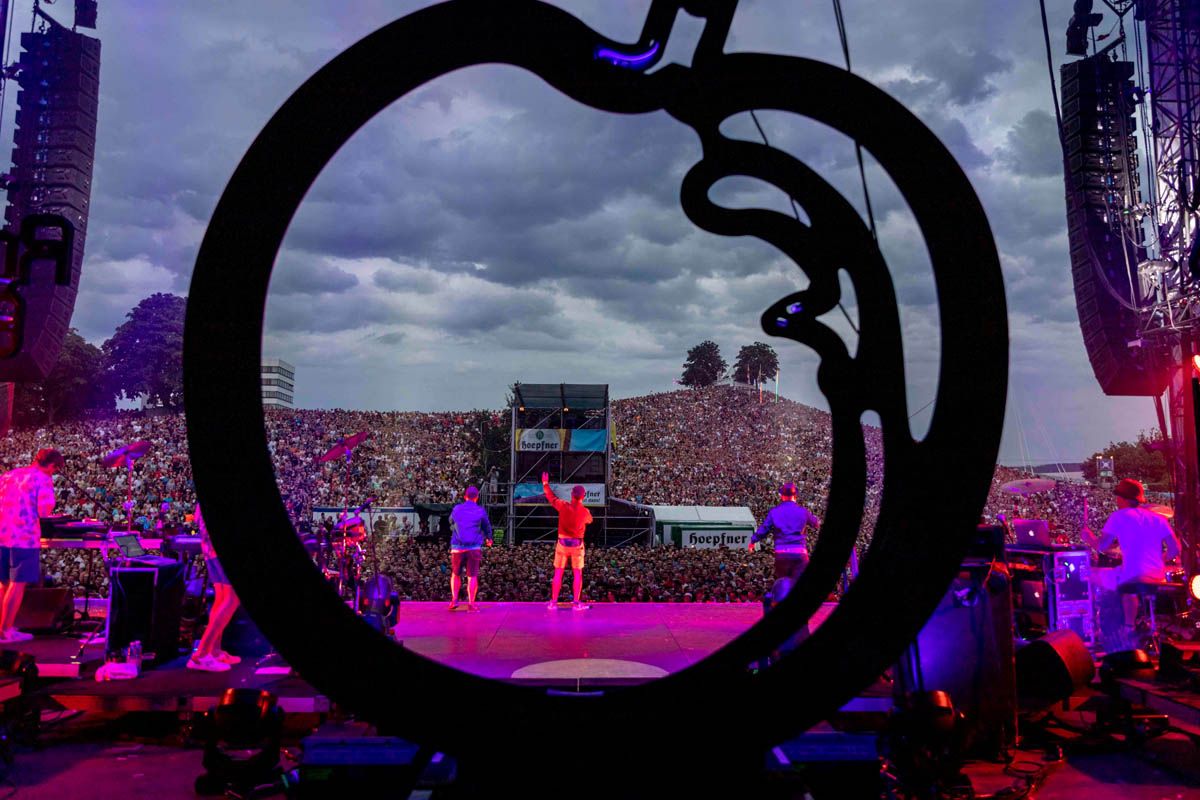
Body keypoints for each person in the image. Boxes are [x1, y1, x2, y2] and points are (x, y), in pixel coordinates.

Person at [1080, 478, 1181, 632]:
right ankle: (1133, 624)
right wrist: (1160, 559)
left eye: (1118, 497)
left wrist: (1088, 537)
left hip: (1132, 575)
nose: (1117, 500)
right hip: (1157, 575)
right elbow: (1175, 549)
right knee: (1126, 576)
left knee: (1089, 573)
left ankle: (1113, 626)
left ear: (1123, 499)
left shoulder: (1118, 517)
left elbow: (1102, 546)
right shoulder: (1158, 519)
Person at [0, 448, 63, 642]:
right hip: (24, 537)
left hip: (2, 533)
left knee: (3, 583)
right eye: (55, 469)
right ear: (51, 465)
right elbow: (44, 510)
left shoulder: (10, 475)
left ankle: (2, 628)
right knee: (17, 584)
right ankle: (5, 631)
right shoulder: (43, 479)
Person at [189, 503, 241, 672]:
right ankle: (201, 654)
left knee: (222, 596)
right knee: (233, 598)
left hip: (209, 545)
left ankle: (214, 651)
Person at [749, 482, 820, 582]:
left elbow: (764, 529)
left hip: (782, 553)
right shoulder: (803, 511)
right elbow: (816, 523)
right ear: (795, 496)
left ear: (782, 496)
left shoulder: (774, 511)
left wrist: (753, 541)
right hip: (800, 552)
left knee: (783, 582)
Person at [542, 471, 592, 610]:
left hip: (562, 544)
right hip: (577, 545)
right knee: (577, 574)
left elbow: (551, 497)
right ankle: (576, 603)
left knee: (558, 573)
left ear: (571, 494)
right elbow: (590, 520)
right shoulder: (585, 512)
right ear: (584, 496)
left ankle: (553, 602)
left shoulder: (563, 506)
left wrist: (545, 484)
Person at [448, 485, 492, 611]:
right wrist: (489, 538)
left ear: (465, 497)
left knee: (455, 574)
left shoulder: (457, 509)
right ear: (477, 497)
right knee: (472, 576)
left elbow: (450, 521)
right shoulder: (480, 510)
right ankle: (471, 603)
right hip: (474, 547)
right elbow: (487, 526)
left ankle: (454, 600)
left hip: (458, 546)